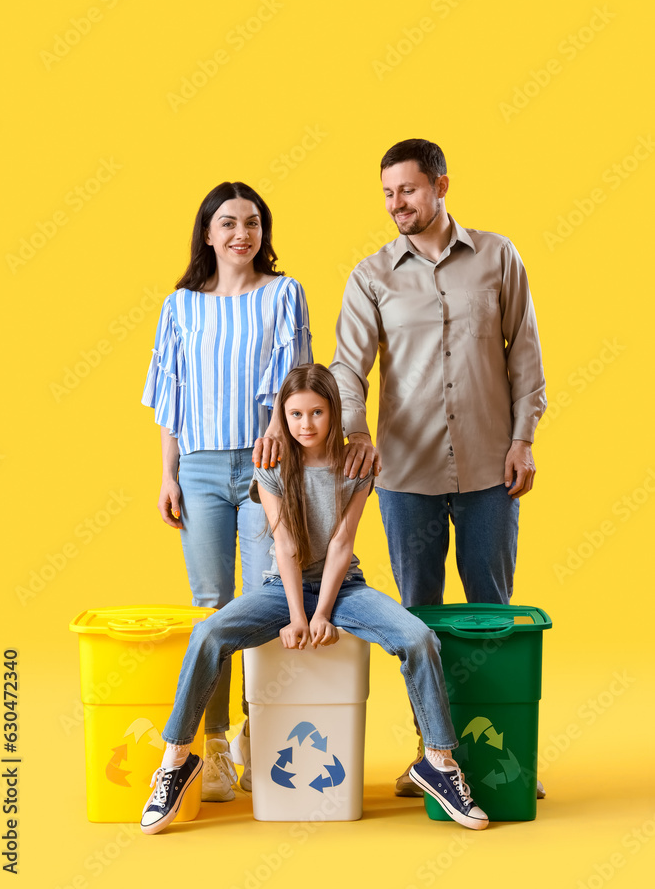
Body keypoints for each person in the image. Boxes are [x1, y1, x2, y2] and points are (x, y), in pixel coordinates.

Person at [140, 364, 489, 835]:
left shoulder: (355, 467)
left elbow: (342, 544)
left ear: (334, 413)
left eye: (317, 413)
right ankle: (176, 759)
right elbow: (283, 546)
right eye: (296, 414)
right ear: (283, 417)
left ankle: (438, 761)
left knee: (419, 637)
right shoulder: (270, 467)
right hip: (279, 588)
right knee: (207, 632)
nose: (307, 424)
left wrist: (323, 612)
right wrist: (299, 616)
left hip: (344, 587)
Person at [329, 138, 546, 795]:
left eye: (408, 190)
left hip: (487, 468)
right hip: (405, 477)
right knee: (417, 619)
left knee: (490, 614)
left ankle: (497, 750)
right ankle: (433, 756)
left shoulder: (497, 257)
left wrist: (522, 438)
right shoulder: (371, 275)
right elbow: (346, 366)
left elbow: (524, 355)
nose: (397, 204)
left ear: (441, 185)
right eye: (388, 193)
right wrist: (354, 427)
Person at [142, 181, 312, 801]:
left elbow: (297, 380)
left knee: (266, 604)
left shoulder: (284, 294)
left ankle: (259, 733)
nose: (242, 234)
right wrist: (168, 472)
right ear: (208, 234)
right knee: (212, 606)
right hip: (202, 468)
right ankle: (212, 749)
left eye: (253, 223)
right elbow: (170, 396)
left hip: (268, 465)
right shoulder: (180, 306)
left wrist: (275, 432)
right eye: (229, 223)